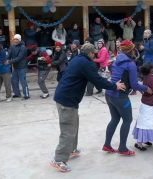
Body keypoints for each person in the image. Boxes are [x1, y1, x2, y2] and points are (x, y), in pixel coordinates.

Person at [50, 43, 126, 172]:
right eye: (94, 54)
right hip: (67, 100)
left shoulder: (76, 59)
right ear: (90, 53)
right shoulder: (86, 64)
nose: (94, 55)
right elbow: (97, 80)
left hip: (66, 97)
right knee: (68, 129)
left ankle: (71, 149)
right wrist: (114, 86)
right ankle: (59, 159)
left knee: (73, 124)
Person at [103, 40, 152, 156]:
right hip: (120, 96)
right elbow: (134, 84)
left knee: (114, 119)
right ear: (131, 50)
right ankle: (123, 148)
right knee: (127, 120)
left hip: (109, 94)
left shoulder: (116, 60)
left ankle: (107, 145)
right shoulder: (130, 64)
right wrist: (146, 88)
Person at [4, 34, 30, 100]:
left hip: (22, 67)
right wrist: (4, 59)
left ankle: (26, 95)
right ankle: (17, 93)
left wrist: (9, 62)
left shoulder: (23, 47)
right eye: (14, 39)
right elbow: (9, 54)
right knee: (13, 80)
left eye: (17, 39)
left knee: (23, 81)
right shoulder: (12, 46)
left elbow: (19, 58)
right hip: (16, 67)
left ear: (19, 40)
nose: (15, 41)